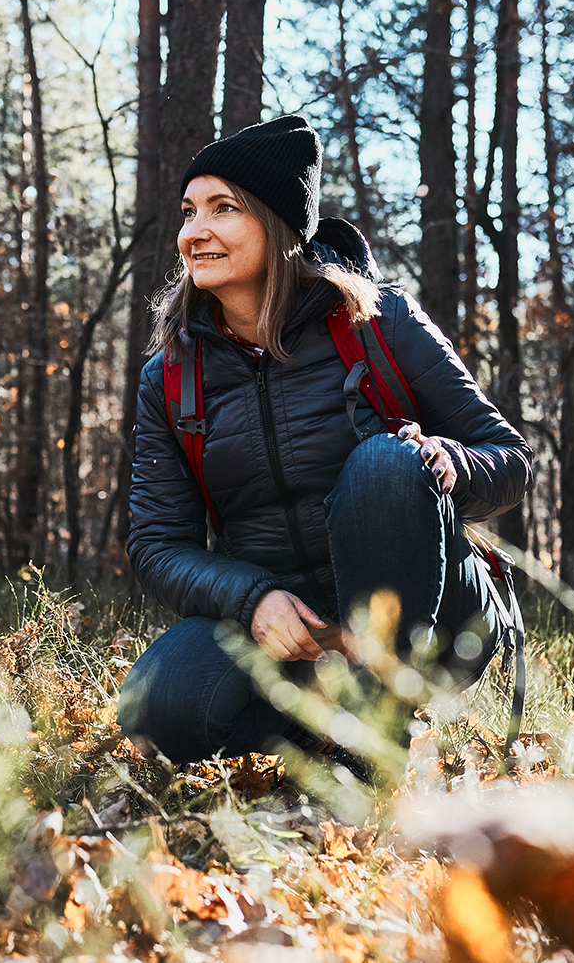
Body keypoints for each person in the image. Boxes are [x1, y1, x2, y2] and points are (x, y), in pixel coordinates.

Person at [116, 115, 532, 766]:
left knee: (387, 463)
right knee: (153, 708)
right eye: (189, 211)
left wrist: (449, 462)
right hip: (288, 628)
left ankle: (379, 730)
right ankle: (325, 736)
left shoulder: (380, 322)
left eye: (223, 209)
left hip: (433, 615)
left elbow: (510, 459)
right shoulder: (169, 376)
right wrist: (251, 600)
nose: (194, 233)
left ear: (279, 225)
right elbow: (156, 545)